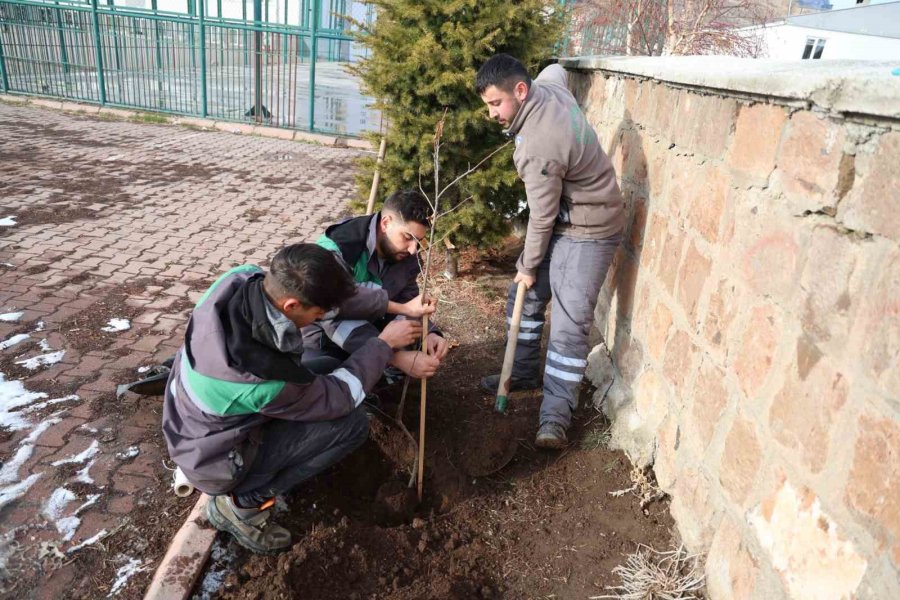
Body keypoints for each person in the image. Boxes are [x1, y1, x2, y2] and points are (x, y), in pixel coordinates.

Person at [161, 244, 423, 553]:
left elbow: (337, 302)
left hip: (192, 422)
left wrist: (401, 307)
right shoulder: (264, 376)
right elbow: (339, 398)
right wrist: (383, 346)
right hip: (214, 461)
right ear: (291, 306)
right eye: (318, 313)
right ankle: (243, 506)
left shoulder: (240, 280)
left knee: (327, 367)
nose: (322, 317)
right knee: (351, 424)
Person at [475, 54, 625, 449]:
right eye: (488, 105)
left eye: (496, 104)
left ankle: (554, 418)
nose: (491, 114)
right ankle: (523, 372)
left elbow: (540, 218)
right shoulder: (551, 87)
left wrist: (527, 266)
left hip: (590, 229)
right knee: (523, 300)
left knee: (569, 323)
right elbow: (557, 69)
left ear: (521, 91)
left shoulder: (537, 147)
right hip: (567, 217)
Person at [304, 189, 449, 380]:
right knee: (327, 374)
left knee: (404, 349)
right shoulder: (340, 249)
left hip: (372, 330)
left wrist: (427, 333)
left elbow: (407, 300)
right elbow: (333, 317)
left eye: (418, 241)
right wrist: (395, 357)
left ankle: (379, 376)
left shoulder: (405, 253)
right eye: (407, 238)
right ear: (386, 223)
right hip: (325, 339)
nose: (414, 249)